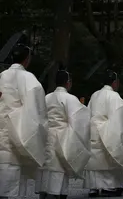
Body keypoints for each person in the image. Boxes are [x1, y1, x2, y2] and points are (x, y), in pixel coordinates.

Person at [36, 69, 91, 199]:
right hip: (62, 137)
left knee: (48, 164)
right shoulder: (70, 99)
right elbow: (79, 121)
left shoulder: (46, 97)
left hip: (46, 135)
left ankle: (44, 191)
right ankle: (58, 192)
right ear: (68, 83)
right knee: (59, 165)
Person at [0, 44, 47, 197]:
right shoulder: (28, 79)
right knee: (15, 186)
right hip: (17, 140)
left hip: (1, 133)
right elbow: (36, 112)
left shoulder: (2, 76)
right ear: (27, 60)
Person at [83, 71, 123, 197]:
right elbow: (120, 115)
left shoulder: (95, 95)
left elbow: (88, 112)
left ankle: (93, 187)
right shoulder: (114, 96)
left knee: (95, 159)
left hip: (93, 129)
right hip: (106, 130)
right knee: (108, 157)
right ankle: (109, 187)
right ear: (115, 82)